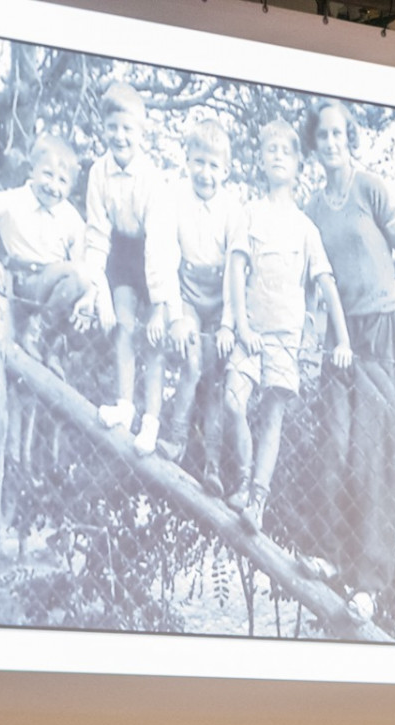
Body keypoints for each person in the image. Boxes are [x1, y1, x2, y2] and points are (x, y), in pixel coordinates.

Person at [303, 101, 395, 622]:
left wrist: (377, 294)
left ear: (349, 137)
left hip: (378, 331)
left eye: (338, 133)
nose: (330, 141)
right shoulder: (311, 208)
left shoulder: (370, 189)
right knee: (335, 448)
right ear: (314, 143)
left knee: (375, 456)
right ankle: (331, 556)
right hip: (337, 340)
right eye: (322, 134)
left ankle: (369, 584)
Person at [223, 119, 351, 531]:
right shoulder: (249, 213)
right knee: (233, 402)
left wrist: (340, 339)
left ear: (299, 164)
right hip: (250, 335)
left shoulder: (305, 228)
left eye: (286, 151)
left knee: (272, 417)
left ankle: (257, 499)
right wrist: (240, 325)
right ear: (261, 161)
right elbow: (236, 272)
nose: (278, 156)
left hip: (284, 340)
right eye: (270, 150)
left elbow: (326, 286)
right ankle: (242, 478)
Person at [147, 117, 244, 479]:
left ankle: (213, 463)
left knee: (216, 379)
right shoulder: (174, 199)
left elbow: (236, 274)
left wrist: (227, 326)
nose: (205, 173)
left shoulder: (234, 211)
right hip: (188, 293)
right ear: (187, 161)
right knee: (190, 363)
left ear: (227, 170)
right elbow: (165, 256)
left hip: (220, 300)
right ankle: (175, 438)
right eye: (199, 162)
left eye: (214, 165)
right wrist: (176, 315)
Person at [73, 82, 167, 453]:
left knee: (153, 338)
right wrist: (98, 294)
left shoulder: (153, 179)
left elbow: (159, 245)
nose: (119, 135)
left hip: (155, 252)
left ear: (141, 132)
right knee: (123, 326)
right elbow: (97, 235)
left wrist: (160, 307)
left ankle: (151, 423)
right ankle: (125, 407)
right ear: (103, 127)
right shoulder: (98, 172)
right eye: (112, 127)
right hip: (121, 254)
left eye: (127, 128)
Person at [0, 134, 93, 339]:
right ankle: (32, 335)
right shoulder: (14, 200)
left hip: (53, 293)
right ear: (32, 170)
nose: (53, 186)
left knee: (80, 283)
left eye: (62, 181)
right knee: (77, 273)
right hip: (21, 283)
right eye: (47, 174)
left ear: (70, 187)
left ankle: (42, 337)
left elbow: (81, 264)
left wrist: (88, 296)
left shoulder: (71, 217)